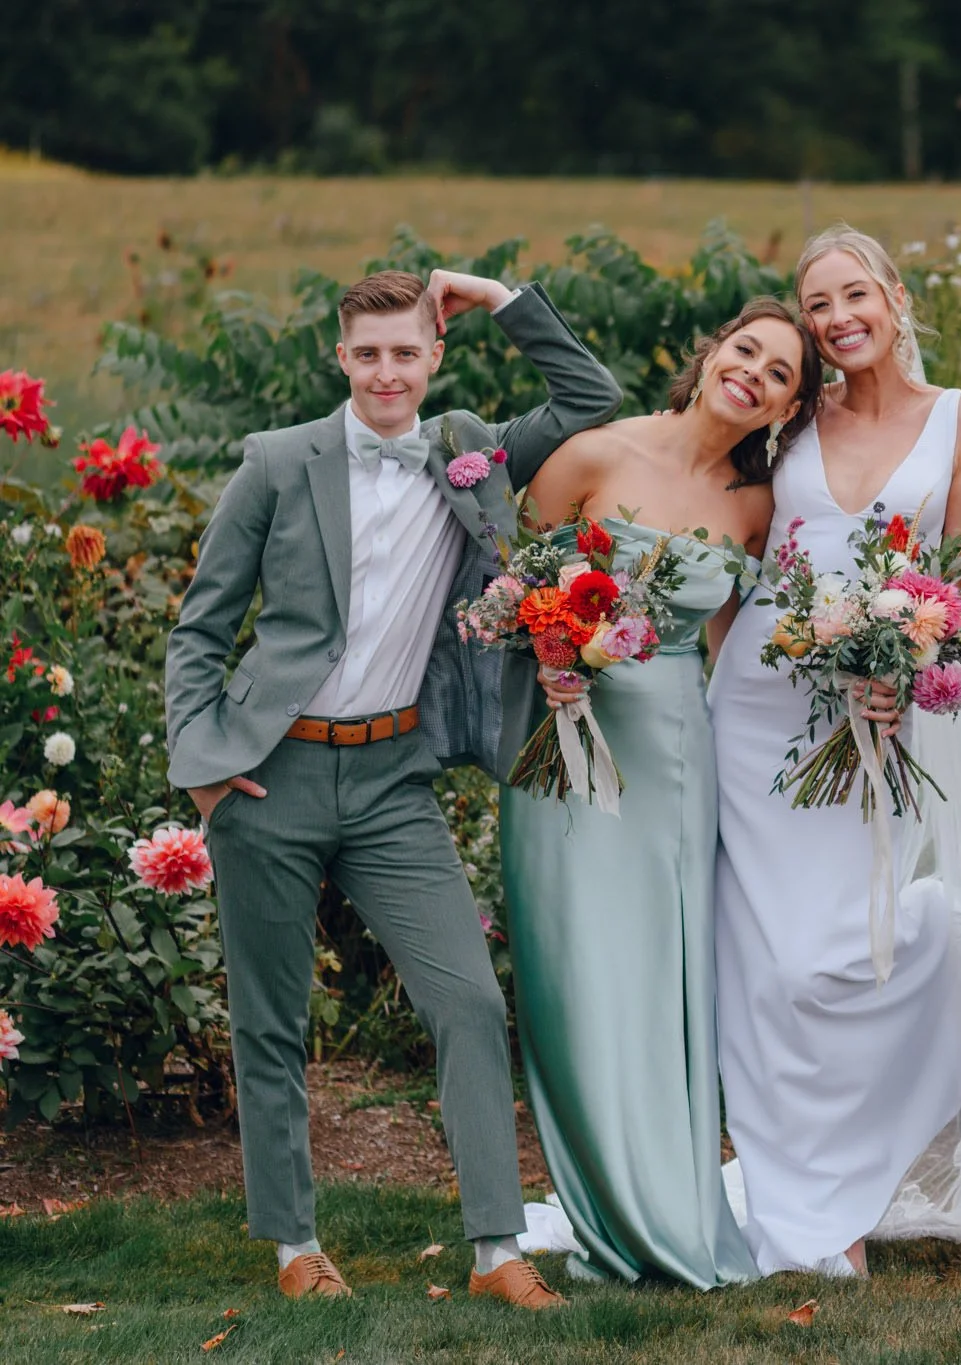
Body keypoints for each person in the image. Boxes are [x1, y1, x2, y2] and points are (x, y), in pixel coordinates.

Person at [165, 268, 620, 1308]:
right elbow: (201, 624)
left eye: (404, 352)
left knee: (465, 1000)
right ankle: (293, 1246)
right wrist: (204, 761)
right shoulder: (278, 464)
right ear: (340, 358)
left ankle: (496, 1251)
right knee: (270, 1021)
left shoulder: (467, 455)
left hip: (391, 780)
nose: (385, 372)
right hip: (267, 778)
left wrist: (498, 294)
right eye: (367, 353)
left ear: (433, 358)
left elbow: (588, 398)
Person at [507, 298, 821, 1286]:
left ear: (786, 408)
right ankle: (605, 1201)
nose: (754, 376)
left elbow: (735, 651)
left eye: (779, 376)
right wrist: (545, 647)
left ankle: (670, 1203)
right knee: (575, 975)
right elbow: (509, 582)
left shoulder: (752, 508)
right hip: (564, 746)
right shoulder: (594, 457)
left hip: (677, 759)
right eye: (747, 352)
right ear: (711, 352)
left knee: (659, 980)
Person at [709, 226, 961, 1277]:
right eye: (815, 304)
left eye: (850, 295)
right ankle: (809, 1208)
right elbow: (728, 542)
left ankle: (858, 1171)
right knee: (765, 966)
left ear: (890, 295)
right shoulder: (790, 418)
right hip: (753, 711)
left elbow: (957, 579)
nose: (835, 319)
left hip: (876, 715)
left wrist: (905, 665)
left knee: (859, 948)